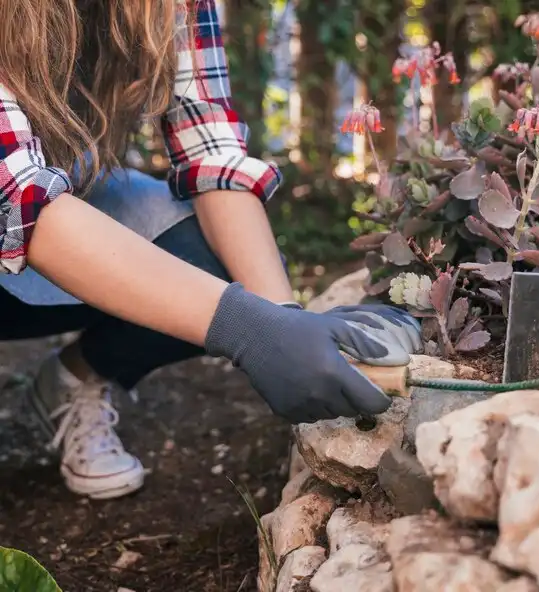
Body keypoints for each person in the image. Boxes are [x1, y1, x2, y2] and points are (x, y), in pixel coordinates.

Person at [0, 0, 421, 500]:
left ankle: (74, 378)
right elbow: (16, 197)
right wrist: (247, 329)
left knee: (225, 262)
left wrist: (279, 318)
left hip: (53, 208)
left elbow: (209, 150)